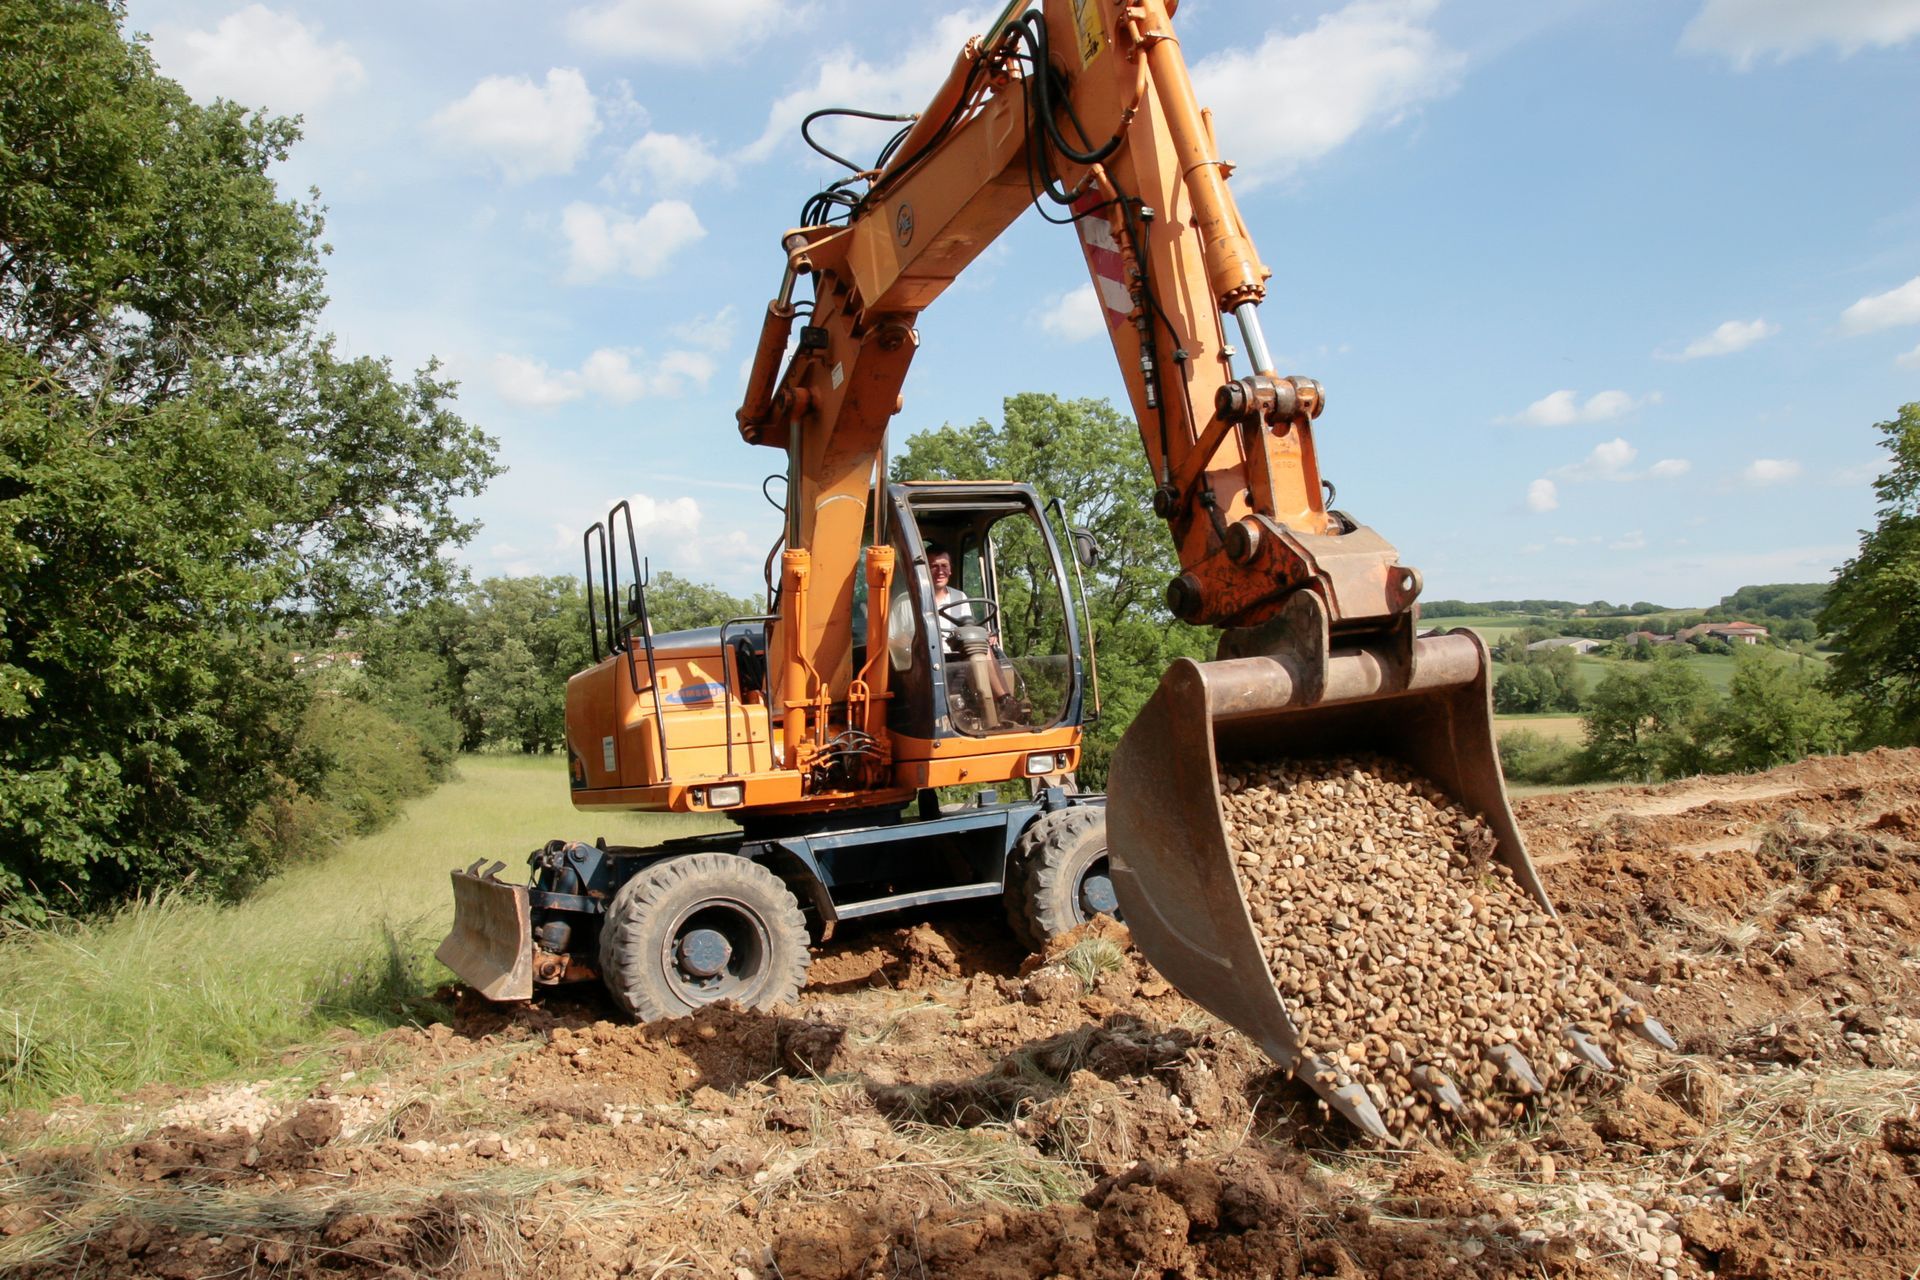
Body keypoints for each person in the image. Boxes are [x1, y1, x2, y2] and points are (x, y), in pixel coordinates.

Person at [925, 543, 1019, 713]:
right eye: (934, 566)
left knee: (981, 645)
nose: (940, 571)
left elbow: (968, 627)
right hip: (928, 659)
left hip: (958, 656)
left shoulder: (959, 597)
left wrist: (985, 635)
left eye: (944, 566)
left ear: (950, 570)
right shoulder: (910, 601)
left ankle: (1004, 702)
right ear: (925, 570)